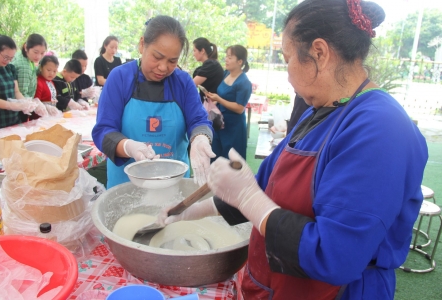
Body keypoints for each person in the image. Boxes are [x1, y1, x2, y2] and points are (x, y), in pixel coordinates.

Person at [159, 1, 428, 299]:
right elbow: (264, 189)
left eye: (287, 59)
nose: (287, 74)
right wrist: (195, 211)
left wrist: (248, 196)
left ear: (319, 53)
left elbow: (335, 254)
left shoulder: (381, 128)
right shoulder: (318, 111)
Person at [92, 15, 215, 189]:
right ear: (142, 45)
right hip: (126, 186)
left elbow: (199, 121)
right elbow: (103, 130)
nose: (163, 67)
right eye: (157, 57)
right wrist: (128, 147)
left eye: (172, 61)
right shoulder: (119, 78)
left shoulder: (183, 82)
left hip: (173, 185)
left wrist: (201, 138)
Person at [205, 45, 252, 160]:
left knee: (232, 162)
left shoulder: (244, 82)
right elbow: (223, 95)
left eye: (230, 57)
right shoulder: (226, 74)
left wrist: (219, 99)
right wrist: (214, 101)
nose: (226, 59)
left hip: (234, 127)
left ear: (240, 61)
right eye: (226, 56)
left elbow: (240, 108)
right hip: (219, 123)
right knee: (216, 158)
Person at [0, 34, 38, 130]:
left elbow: (16, 91)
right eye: (6, 57)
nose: (8, 61)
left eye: (11, 58)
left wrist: (25, 103)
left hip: (13, 120)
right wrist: (12, 105)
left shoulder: (10, 68)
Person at [11, 33, 47, 99]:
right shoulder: (24, 67)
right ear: (26, 47)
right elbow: (22, 94)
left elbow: (33, 71)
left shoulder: (25, 56)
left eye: (42, 53)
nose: (38, 56)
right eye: (35, 52)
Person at [192, 37, 224, 103]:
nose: (193, 54)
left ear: (202, 51)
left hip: (211, 106)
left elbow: (192, 84)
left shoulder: (211, 65)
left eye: (194, 50)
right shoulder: (206, 65)